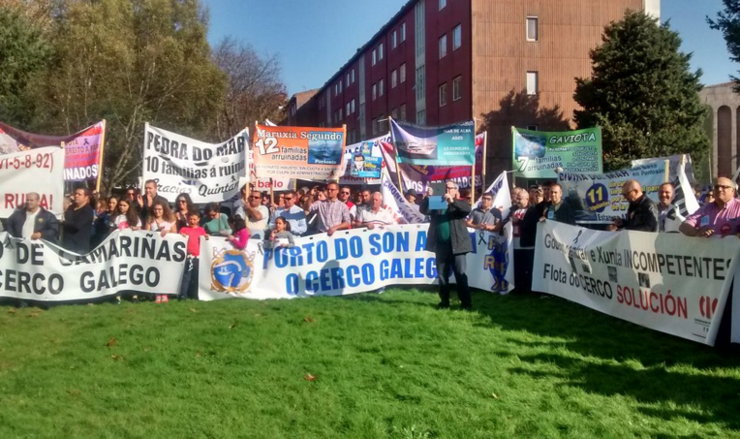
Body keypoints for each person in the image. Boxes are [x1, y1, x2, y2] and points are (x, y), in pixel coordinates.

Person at [420, 180, 473, 310]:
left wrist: (452, 201)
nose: (446, 190)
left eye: (449, 188)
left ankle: (466, 304)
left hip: (457, 246)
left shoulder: (459, 203)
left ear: (455, 190)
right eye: (445, 188)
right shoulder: (437, 203)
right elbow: (423, 210)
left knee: (460, 275)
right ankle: (444, 302)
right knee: (442, 276)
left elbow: (467, 209)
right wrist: (427, 197)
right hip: (441, 246)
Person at [179, 211, 208, 300]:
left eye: (194, 219)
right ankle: (183, 294)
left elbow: (205, 240)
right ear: (187, 219)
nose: (192, 221)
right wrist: (181, 235)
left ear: (198, 219)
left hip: (197, 257)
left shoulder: (201, 230)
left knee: (196, 277)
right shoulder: (184, 229)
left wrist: (207, 237)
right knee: (186, 276)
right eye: (190, 219)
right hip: (187, 256)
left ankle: (194, 294)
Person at [62, 188, 95, 253]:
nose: (76, 196)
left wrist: (63, 222)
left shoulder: (87, 210)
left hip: (79, 247)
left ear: (86, 197)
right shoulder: (71, 207)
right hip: (67, 244)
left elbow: (77, 226)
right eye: (75, 194)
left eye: (79, 194)